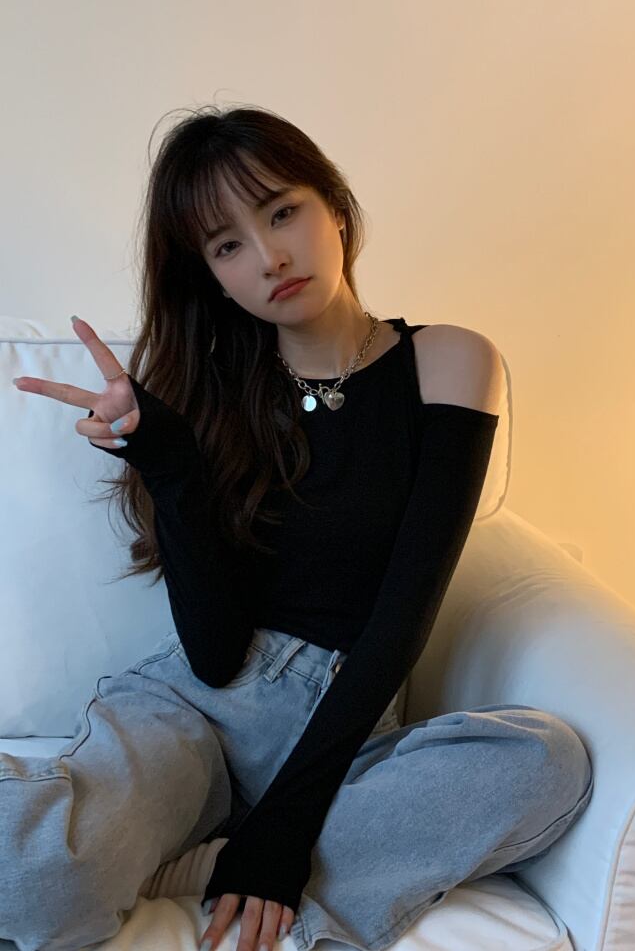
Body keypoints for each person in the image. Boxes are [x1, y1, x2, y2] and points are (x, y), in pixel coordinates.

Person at [7, 105, 593, 951]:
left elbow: (403, 614)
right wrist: (171, 468)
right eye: (227, 245)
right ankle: (195, 855)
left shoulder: (450, 361)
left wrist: (286, 821)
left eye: (282, 212)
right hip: (197, 712)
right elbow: (214, 655)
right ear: (212, 276)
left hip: (347, 724)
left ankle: (227, 869)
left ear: (336, 210)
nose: (269, 256)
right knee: (36, 885)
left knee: (548, 761)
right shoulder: (208, 394)